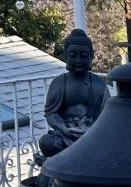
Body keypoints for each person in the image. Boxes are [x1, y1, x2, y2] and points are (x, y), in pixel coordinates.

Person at [37, 29, 108, 165]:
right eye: (73, 55)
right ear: (66, 56)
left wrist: (93, 129)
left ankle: (64, 161)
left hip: (93, 134)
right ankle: (80, 157)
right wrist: (64, 128)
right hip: (66, 134)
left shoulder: (99, 83)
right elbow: (51, 113)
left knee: (112, 141)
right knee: (46, 142)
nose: (78, 60)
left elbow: (107, 113)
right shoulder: (60, 82)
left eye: (83, 55)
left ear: (91, 56)